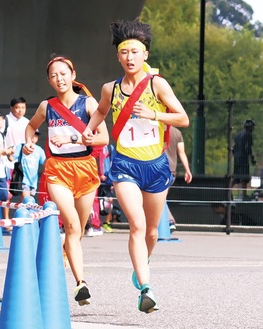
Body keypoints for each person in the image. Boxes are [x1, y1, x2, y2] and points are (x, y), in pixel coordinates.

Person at [82, 20, 189, 313]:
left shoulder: (157, 84)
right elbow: (102, 111)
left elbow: (183, 119)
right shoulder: (110, 89)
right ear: (118, 56)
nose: (130, 57)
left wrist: (155, 114)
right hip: (125, 164)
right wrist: (90, 129)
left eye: (135, 51)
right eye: (124, 51)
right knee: (137, 225)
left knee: (152, 232)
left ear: (146, 55)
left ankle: (142, 262)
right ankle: (146, 289)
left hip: (156, 166)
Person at [23, 54, 109, 306]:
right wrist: (29, 143)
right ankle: (81, 283)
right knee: (71, 225)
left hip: (85, 168)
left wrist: (79, 139)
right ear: (49, 80)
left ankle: (64, 254)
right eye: (53, 75)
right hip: (58, 170)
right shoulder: (45, 106)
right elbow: (31, 127)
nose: (59, 78)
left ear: (73, 75)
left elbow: (104, 138)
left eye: (63, 73)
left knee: (79, 230)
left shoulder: (89, 104)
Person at [2, 97, 30, 222]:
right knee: (7, 193)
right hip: (8, 161)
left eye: (23, 107)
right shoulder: (5, 121)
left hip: (23, 161)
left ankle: (19, 217)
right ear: (11, 108)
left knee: (25, 191)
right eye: (17, 107)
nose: (20, 110)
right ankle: (6, 220)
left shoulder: (27, 122)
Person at [165, 126, 192, 230]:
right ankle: (166, 222)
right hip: (171, 169)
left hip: (158, 168)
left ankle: (170, 220)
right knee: (161, 197)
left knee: (159, 198)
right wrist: (187, 170)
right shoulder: (177, 132)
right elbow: (181, 152)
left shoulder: (156, 127)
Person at [14, 129, 46, 201]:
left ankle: (19, 211)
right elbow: (12, 158)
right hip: (23, 179)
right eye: (31, 136)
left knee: (26, 202)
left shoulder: (39, 150)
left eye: (35, 136)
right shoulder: (22, 146)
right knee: (27, 200)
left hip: (33, 181)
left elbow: (45, 163)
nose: (33, 138)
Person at [232, 119, 256, 200]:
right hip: (243, 158)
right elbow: (247, 148)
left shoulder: (238, 134)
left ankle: (227, 191)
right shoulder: (248, 135)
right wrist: (252, 158)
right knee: (244, 177)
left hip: (237, 158)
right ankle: (244, 195)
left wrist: (235, 155)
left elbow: (233, 148)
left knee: (236, 177)